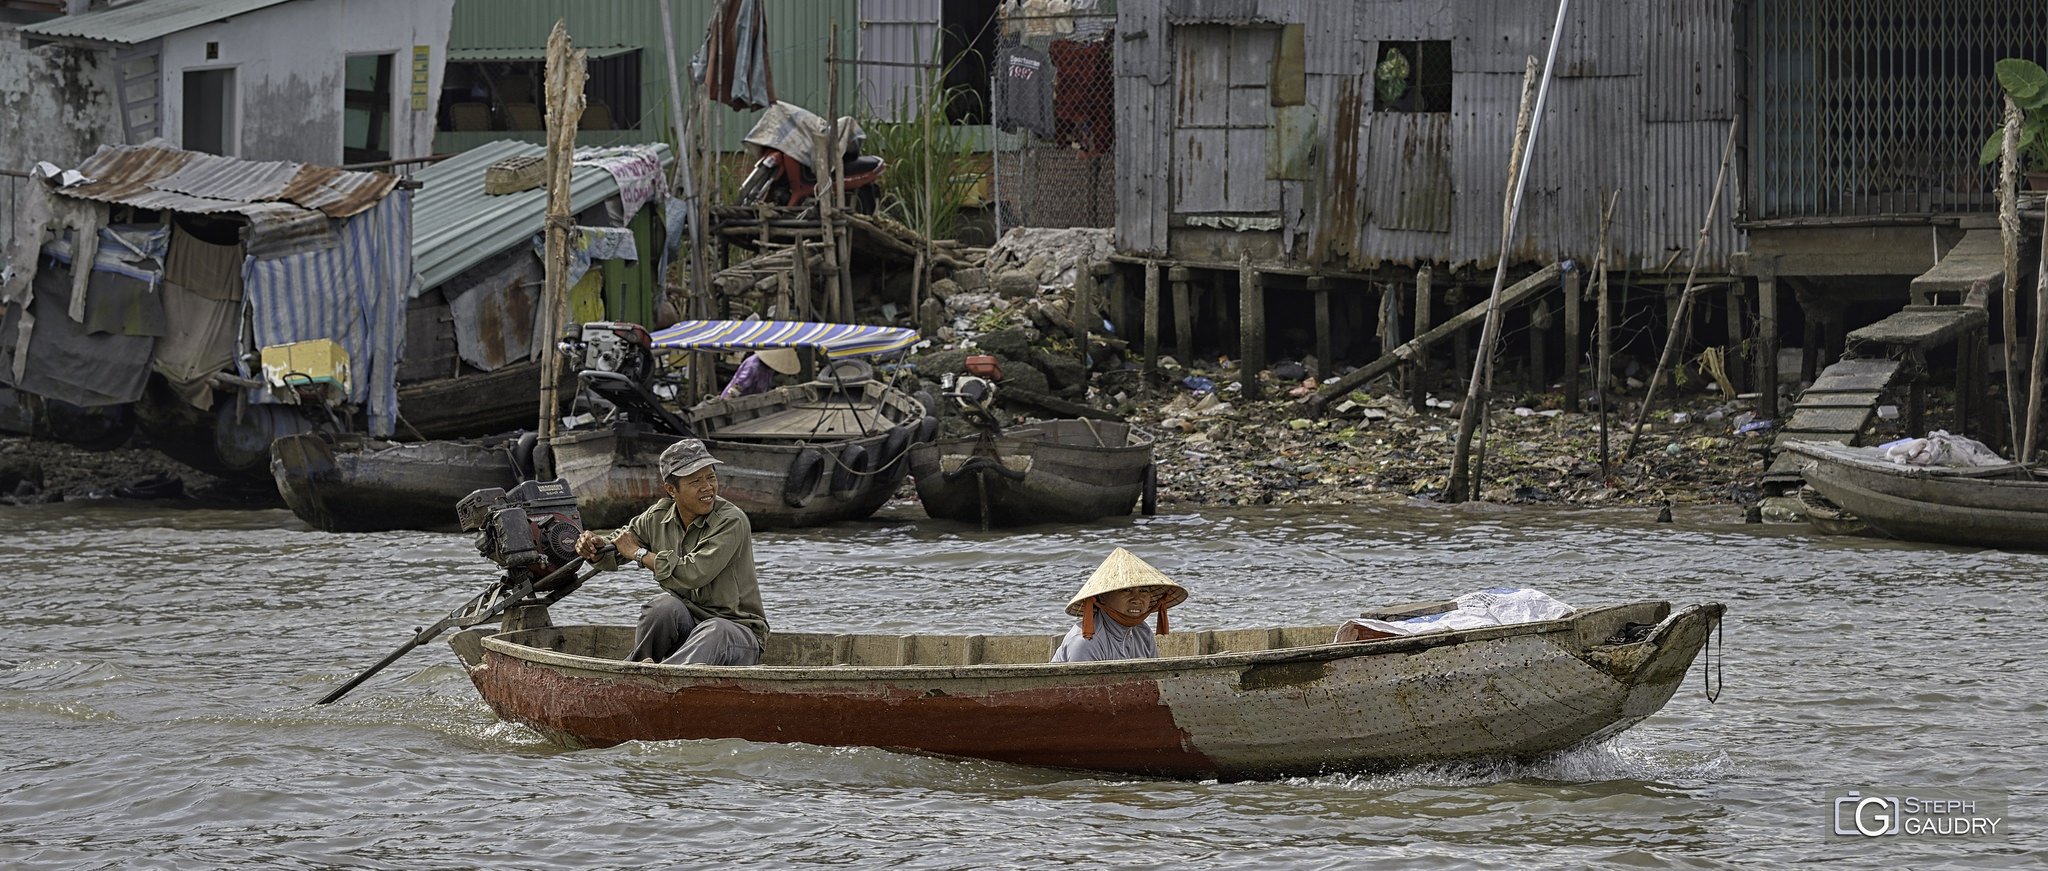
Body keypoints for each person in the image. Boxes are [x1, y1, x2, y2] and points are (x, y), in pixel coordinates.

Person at [574, 439, 769, 666]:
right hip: (691, 627)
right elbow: (618, 546)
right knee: (661, 608)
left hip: (737, 633)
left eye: (711, 477)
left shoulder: (731, 521)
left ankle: (661, 678)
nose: (707, 487)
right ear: (671, 490)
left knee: (715, 629)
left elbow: (694, 572)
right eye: (696, 481)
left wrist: (638, 554)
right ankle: (636, 669)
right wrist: (595, 548)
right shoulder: (657, 517)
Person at [1051, 547, 1189, 663]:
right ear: (1103, 597)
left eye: (1143, 591)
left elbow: (1154, 682)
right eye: (1126, 590)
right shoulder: (1085, 642)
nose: (1137, 599)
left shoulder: (1142, 632)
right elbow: (1082, 692)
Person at [720, 348, 802, 398]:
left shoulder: (770, 367)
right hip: (739, 402)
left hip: (754, 401)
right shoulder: (753, 366)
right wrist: (728, 407)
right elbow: (736, 389)